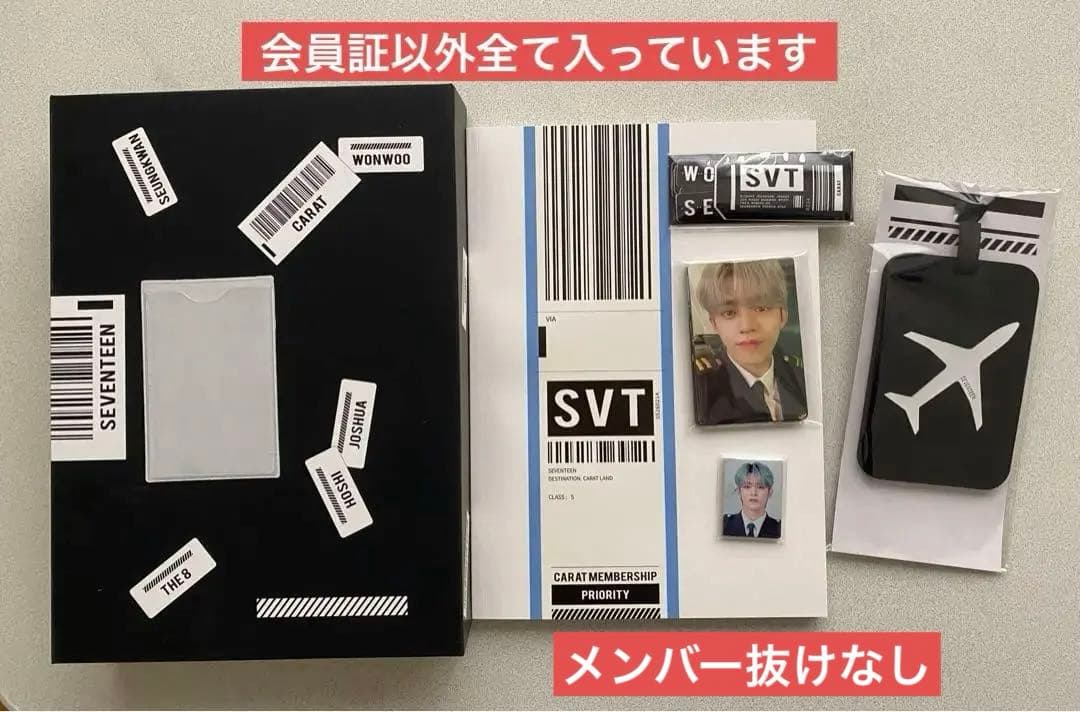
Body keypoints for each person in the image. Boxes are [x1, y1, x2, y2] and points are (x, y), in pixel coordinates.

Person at [692, 259, 807, 426]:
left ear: (782, 315)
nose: (746, 326)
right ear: (714, 323)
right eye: (729, 313)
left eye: (761, 308)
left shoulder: (803, 379)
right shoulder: (700, 392)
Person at [722, 461, 781, 539]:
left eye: (760, 487)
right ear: (739, 491)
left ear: (770, 492)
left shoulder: (780, 529)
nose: (753, 493)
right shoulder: (723, 524)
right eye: (747, 487)